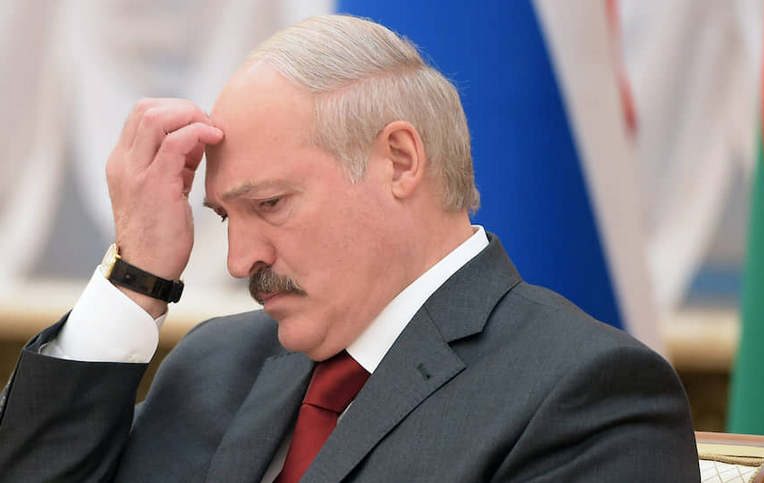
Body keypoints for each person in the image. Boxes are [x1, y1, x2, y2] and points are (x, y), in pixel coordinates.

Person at [0, 14, 699, 482]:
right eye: (224, 216)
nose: (239, 260)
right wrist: (136, 277)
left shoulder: (587, 391)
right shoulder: (216, 366)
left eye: (270, 204)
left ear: (399, 161)